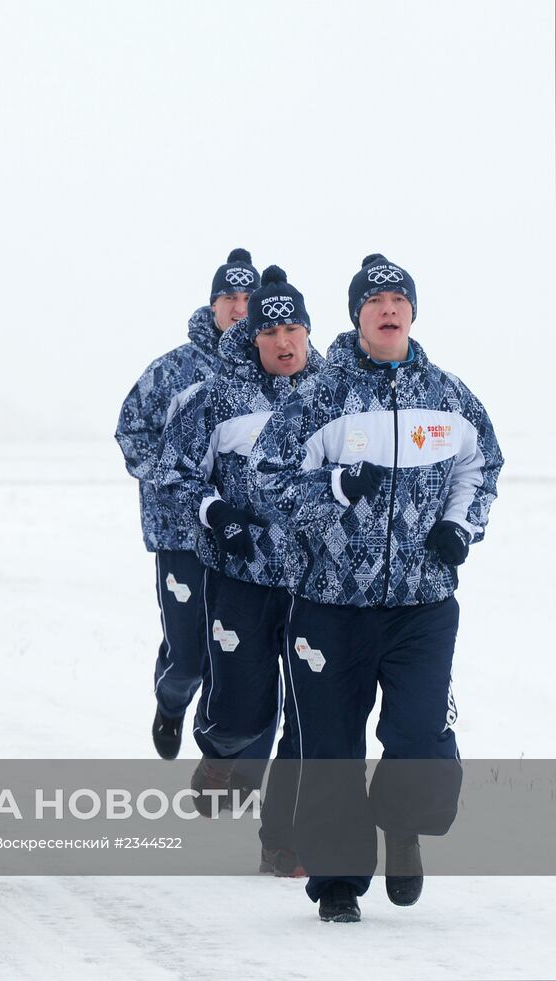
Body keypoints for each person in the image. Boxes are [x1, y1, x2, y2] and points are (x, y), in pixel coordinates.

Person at [248, 254, 502, 922]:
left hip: (422, 603)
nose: (388, 307)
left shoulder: (448, 396)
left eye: (398, 297)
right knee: (330, 745)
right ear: (357, 314)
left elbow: (482, 464)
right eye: (375, 299)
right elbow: (266, 481)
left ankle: (403, 823)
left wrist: (459, 526)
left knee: (421, 734)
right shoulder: (318, 395)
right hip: (330, 604)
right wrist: (331, 489)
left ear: (412, 312)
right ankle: (336, 880)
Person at [155, 266, 322, 875]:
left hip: (315, 584)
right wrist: (215, 512)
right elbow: (172, 474)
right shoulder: (217, 398)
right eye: (271, 328)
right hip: (241, 576)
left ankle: (284, 842)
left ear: (308, 331)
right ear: (253, 336)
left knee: (309, 715)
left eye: (294, 327)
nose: (284, 340)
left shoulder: (332, 395)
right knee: (244, 711)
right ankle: (219, 747)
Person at [116, 248, 257, 759]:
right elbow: (130, 429)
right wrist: (170, 482)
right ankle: (171, 703)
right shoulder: (174, 370)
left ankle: (221, 748)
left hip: (246, 536)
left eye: (249, 297)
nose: (240, 308)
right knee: (189, 659)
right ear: (213, 304)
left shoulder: (270, 364)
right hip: (182, 535)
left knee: (238, 653)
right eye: (230, 297)